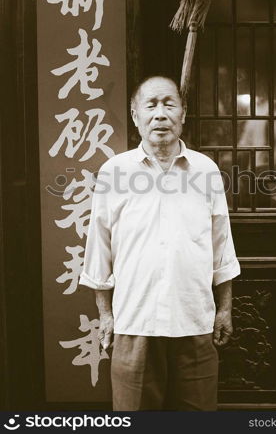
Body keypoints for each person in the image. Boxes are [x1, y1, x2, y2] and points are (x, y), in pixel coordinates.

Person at [79, 76, 240, 411]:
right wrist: (106, 315)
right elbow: (99, 249)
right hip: (135, 321)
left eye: (169, 104)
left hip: (194, 320)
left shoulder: (205, 170)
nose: (160, 114)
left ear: (183, 114)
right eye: (150, 105)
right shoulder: (115, 172)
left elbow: (221, 245)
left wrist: (224, 309)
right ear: (135, 115)